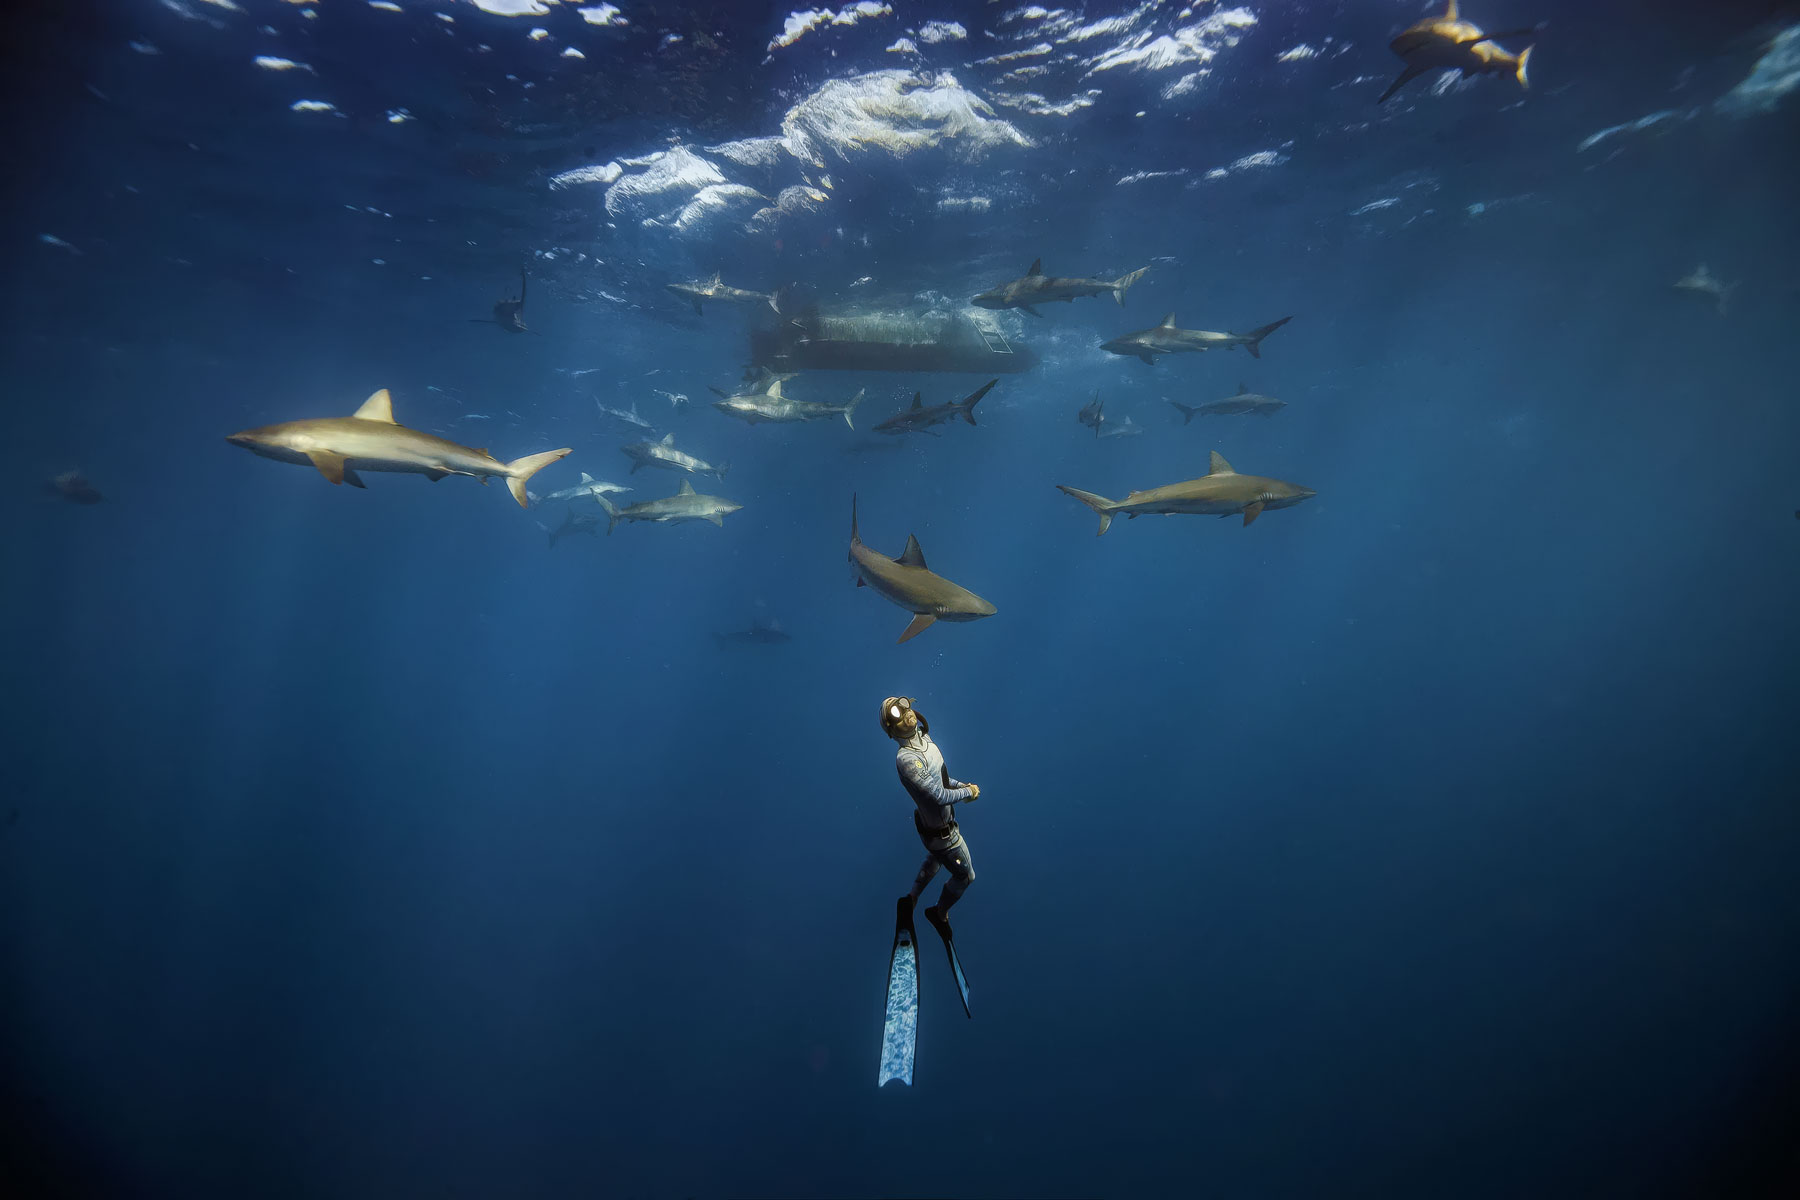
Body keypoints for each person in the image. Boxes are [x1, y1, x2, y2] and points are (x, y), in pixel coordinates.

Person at [881, 696, 980, 940]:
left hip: (932, 829)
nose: (906, 713)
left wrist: (961, 785)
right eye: (898, 714)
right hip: (943, 834)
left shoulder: (925, 740)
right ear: (891, 730)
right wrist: (968, 792)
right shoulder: (906, 760)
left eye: (906, 707)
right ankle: (939, 913)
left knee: (936, 858)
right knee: (966, 876)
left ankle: (911, 899)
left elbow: (942, 781)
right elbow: (937, 795)